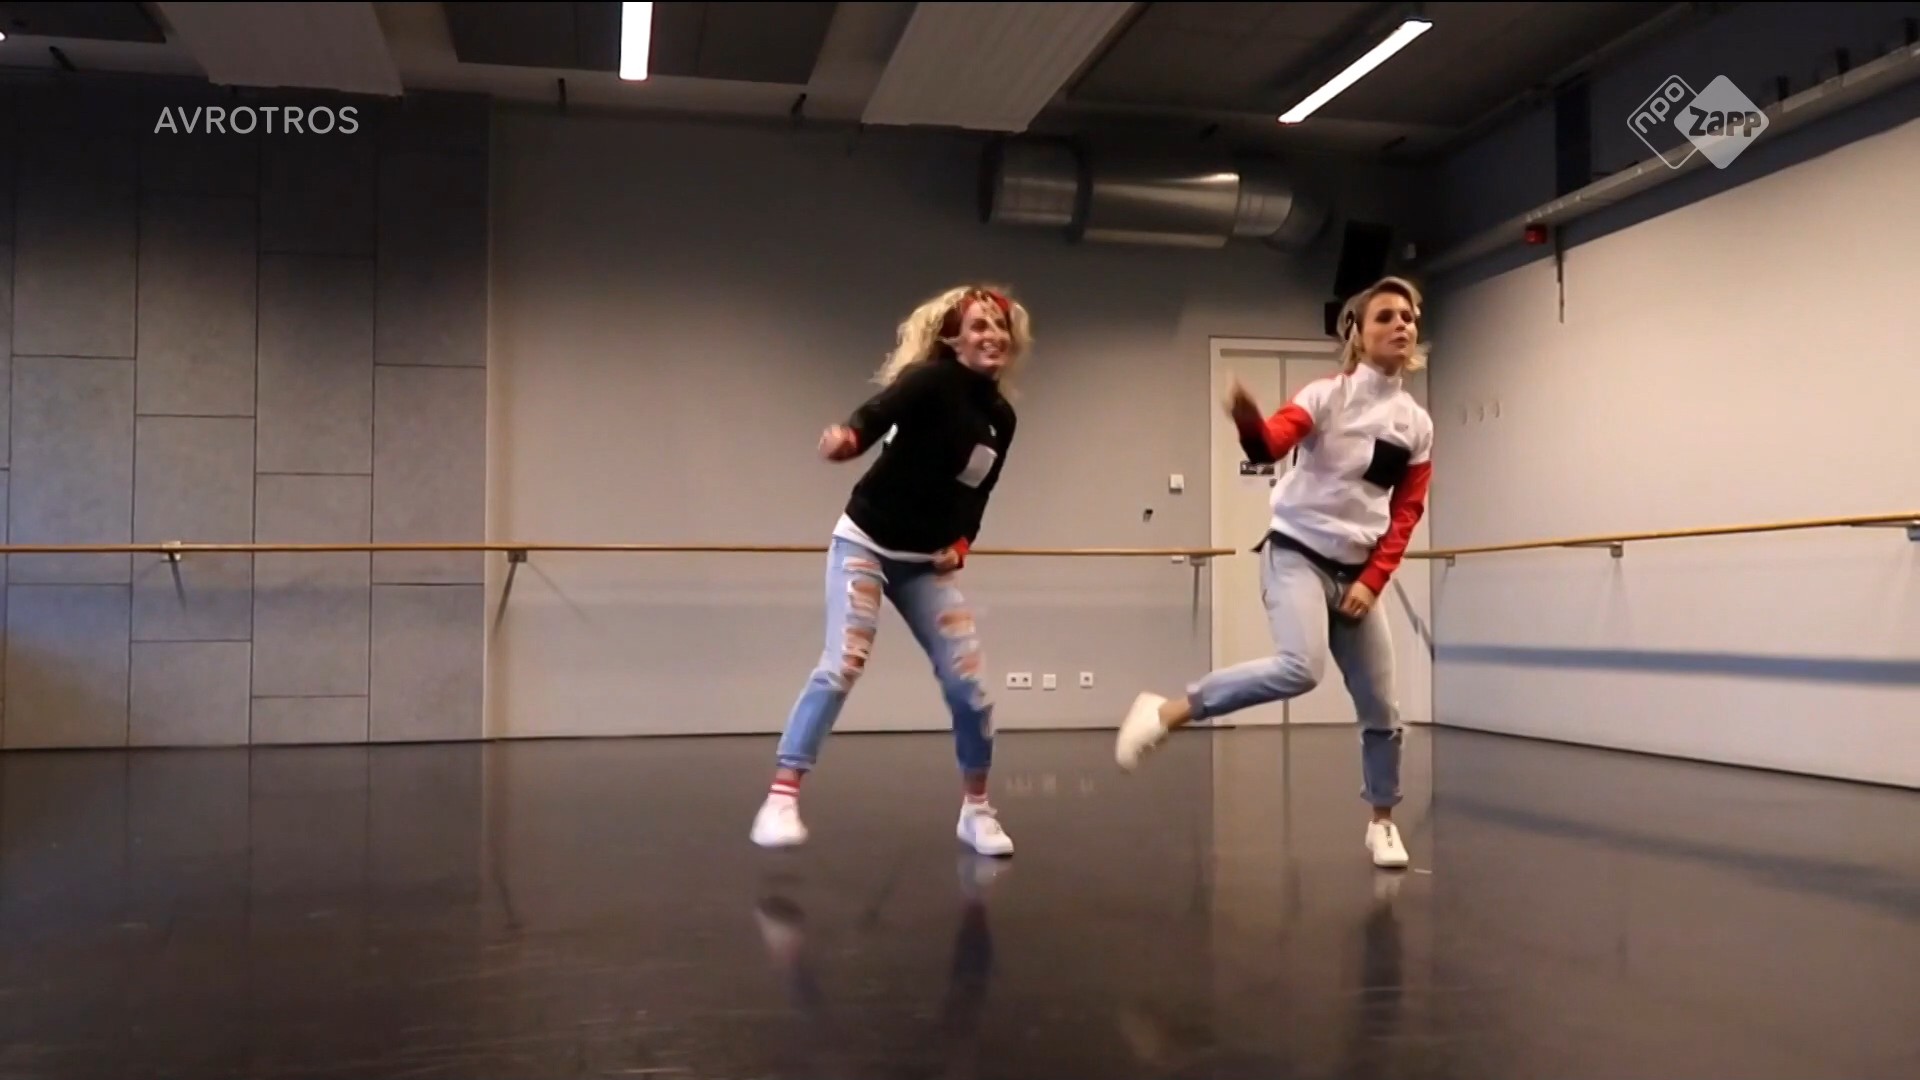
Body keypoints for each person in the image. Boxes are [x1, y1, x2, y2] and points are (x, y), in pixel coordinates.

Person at [1114, 275, 1434, 869]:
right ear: (1358, 334)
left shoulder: (1416, 423)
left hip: (1358, 572)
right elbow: (1267, 446)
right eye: (1386, 316)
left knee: (1382, 710)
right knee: (1300, 667)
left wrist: (1372, 581)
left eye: (1409, 317)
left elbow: (1407, 510)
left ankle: (1382, 823)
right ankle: (1167, 712)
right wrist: (1247, 419)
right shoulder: (1327, 397)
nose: (1402, 325)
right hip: (1297, 554)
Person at [750, 284, 1027, 857]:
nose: (992, 336)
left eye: (999, 326)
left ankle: (977, 811)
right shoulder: (929, 382)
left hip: (924, 565)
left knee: (970, 688)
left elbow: (979, 492)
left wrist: (963, 543)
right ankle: (781, 797)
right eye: (979, 325)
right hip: (866, 544)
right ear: (953, 339)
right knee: (843, 663)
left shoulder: (1002, 417)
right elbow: (876, 416)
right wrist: (848, 440)